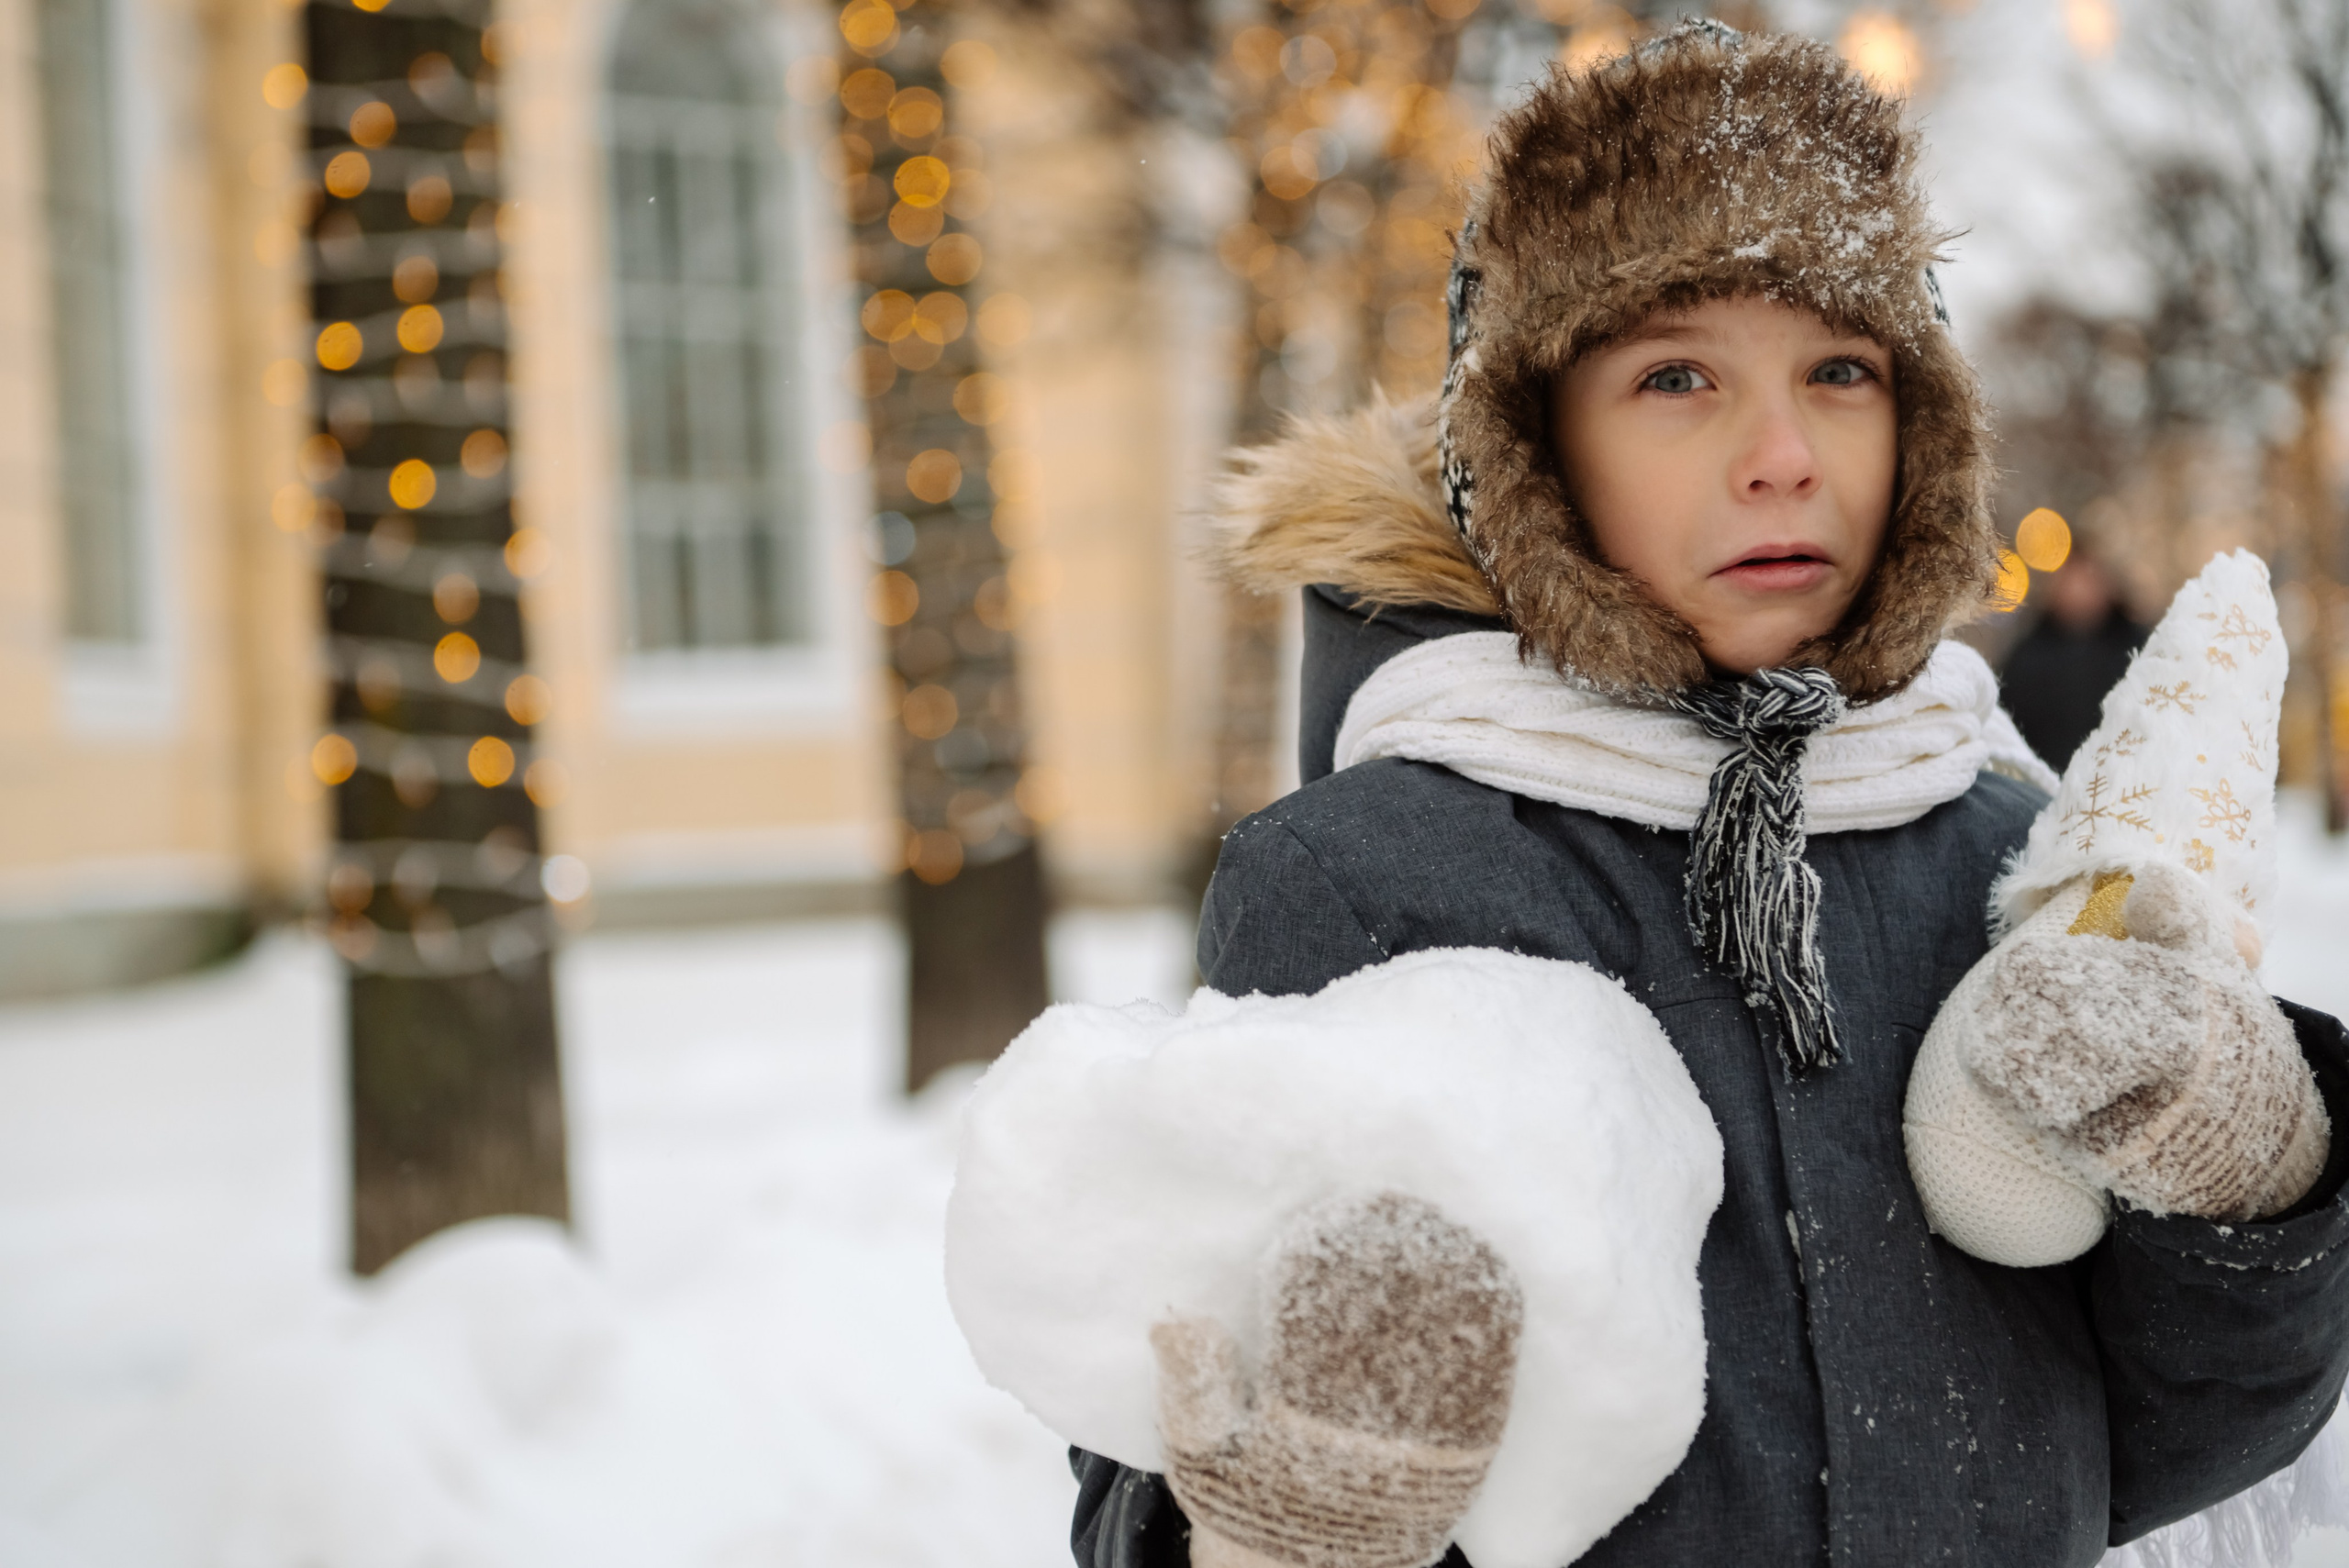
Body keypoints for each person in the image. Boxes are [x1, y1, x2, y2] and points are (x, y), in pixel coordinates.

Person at [1068, 24, 2349, 1568]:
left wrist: (2249, 1174)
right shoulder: (1369, 880)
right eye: (1676, 374)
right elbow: (1146, 1447)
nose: (1784, 455)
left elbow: (2158, 1438)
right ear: (1535, 446)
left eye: (1843, 371)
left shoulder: (2006, 846)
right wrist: (1293, 1504)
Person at [2000, 551, 2152, 772]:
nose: (2079, 591)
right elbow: (2011, 715)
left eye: (2087, 581)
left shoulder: (2135, 648)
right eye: (2071, 582)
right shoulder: (2030, 652)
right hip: (2048, 776)